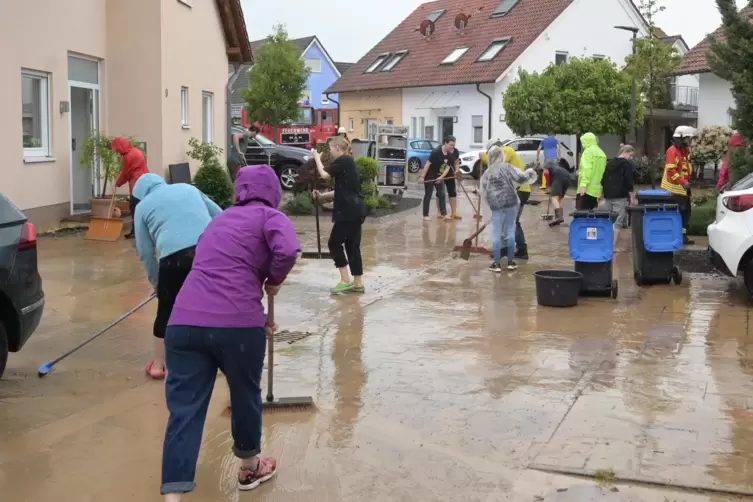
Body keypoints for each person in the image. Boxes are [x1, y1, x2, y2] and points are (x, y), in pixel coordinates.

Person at [160, 165, 300, 500]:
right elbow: (288, 249)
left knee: (184, 411)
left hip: (183, 324)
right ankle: (250, 468)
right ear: (273, 192)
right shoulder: (269, 216)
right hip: (237, 325)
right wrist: (273, 279)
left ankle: (172, 497)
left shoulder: (218, 220)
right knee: (244, 394)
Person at [133, 174, 222, 379]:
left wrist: (158, 283)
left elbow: (145, 252)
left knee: (166, 309)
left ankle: (158, 365)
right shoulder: (188, 188)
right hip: (210, 251)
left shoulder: (142, 207)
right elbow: (220, 215)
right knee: (213, 304)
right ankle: (218, 358)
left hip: (175, 259)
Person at [311, 136, 366, 294]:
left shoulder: (343, 161)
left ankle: (345, 280)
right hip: (356, 209)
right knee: (352, 245)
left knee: (334, 243)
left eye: (330, 148)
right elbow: (343, 190)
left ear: (337, 148)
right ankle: (358, 283)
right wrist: (322, 196)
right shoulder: (349, 163)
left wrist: (316, 158)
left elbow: (324, 175)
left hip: (348, 211)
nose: (330, 151)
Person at [479, 145, 538, 272]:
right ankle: (511, 262)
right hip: (511, 202)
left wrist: (487, 209)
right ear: (501, 155)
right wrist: (530, 172)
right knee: (510, 230)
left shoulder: (487, 173)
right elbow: (521, 178)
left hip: (496, 204)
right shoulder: (507, 167)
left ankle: (496, 263)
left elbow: (483, 192)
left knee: (497, 233)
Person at [661, 126, 696, 245]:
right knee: (678, 213)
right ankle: (676, 235)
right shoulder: (672, 151)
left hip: (683, 188)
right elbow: (671, 170)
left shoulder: (684, 150)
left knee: (686, 213)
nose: (689, 141)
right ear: (681, 138)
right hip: (674, 189)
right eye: (688, 138)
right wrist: (683, 182)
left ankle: (683, 235)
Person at [112, 137, 149, 239]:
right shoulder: (136, 151)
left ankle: (136, 232)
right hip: (145, 182)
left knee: (134, 209)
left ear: (121, 147)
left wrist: (118, 183)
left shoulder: (129, 156)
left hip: (137, 185)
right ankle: (142, 231)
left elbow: (126, 173)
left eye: (117, 149)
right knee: (142, 208)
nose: (117, 152)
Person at [601, 144, 637, 249]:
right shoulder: (627, 165)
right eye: (631, 155)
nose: (631, 158)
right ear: (626, 153)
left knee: (607, 220)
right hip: (620, 196)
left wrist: (601, 195)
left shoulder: (610, 163)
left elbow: (603, 180)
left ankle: (605, 245)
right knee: (618, 222)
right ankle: (612, 247)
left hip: (608, 195)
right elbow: (629, 182)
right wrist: (632, 197)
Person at [419, 135, 460, 221]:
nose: (453, 147)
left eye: (454, 145)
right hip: (429, 175)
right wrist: (422, 177)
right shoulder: (436, 152)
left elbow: (447, 168)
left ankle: (444, 214)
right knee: (428, 195)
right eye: (451, 145)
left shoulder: (449, 154)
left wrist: (441, 177)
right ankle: (425, 215)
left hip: (439, 175)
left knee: (442, 194)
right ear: (445, 143)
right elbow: (427, 164)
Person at [576, 133, 607, 210]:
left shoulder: (587, 152)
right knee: (592, 214)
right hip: (596, 190)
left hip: (587, 189)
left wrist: (583, 185)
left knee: (582, 214)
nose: (582, 144)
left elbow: (587, 170)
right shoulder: (602, 153)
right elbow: (603, 172)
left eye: (583, 142)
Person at [546, 163, 573, 227]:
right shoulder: (557, 168)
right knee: (559, 199)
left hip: (559, 178)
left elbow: (547, 175)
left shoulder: (546, 170)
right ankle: (559, 218)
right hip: (568, 178)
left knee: (554, 198)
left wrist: (549, 186)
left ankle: (558, 217)